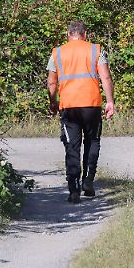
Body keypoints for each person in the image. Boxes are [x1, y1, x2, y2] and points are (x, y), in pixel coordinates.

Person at [47, 20, 116, 204]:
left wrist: (52, 102)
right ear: (85, 34)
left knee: (72, 146)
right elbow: (106, 77)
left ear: (68, 34)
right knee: (93, 141)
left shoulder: (57, 53)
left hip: (69, 106)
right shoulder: (95, 50)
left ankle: (74, 189)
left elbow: (52, 83)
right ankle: (88, 181)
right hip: (91, 104)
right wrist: (110, 101)